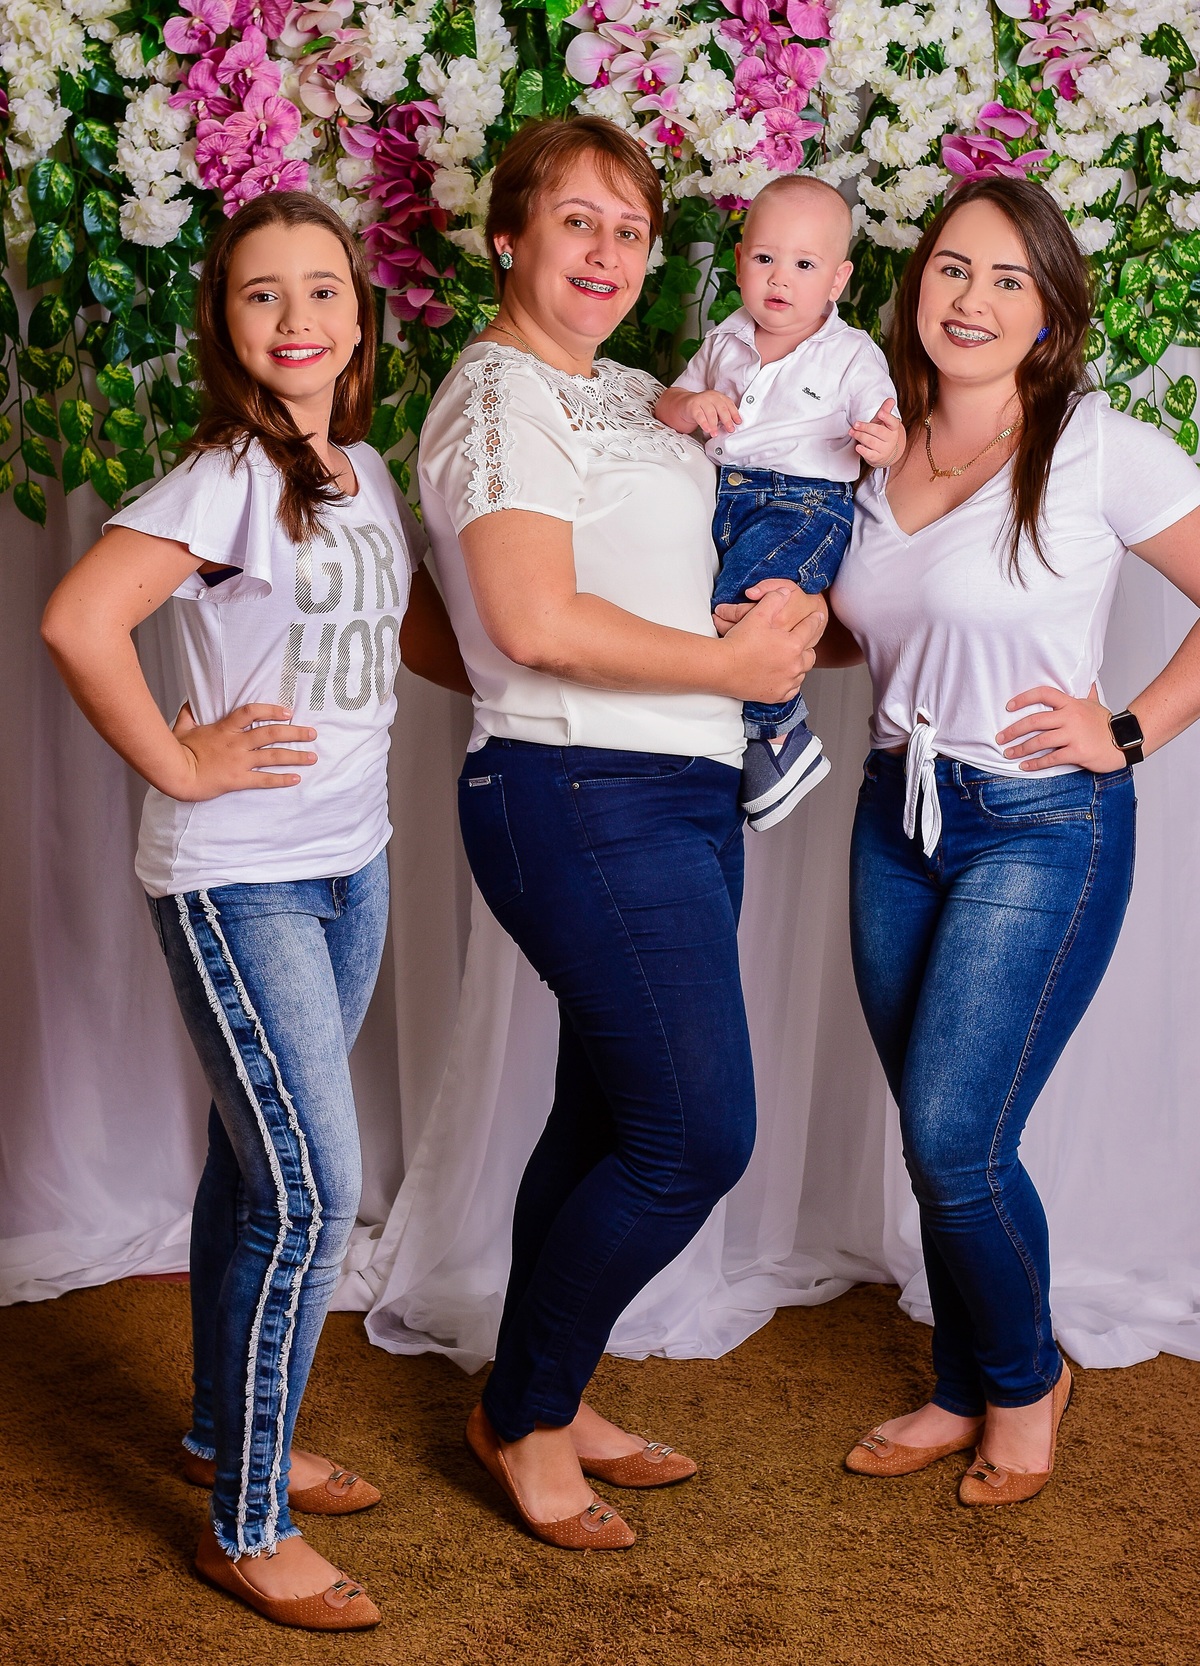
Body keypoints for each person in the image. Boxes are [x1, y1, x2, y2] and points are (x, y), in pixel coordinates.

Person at [41, 191, 468, 1626]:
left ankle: (227, 1431)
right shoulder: (227, 473)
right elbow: (78, 619)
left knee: (252, 1168)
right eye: (261, 294)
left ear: (360, 315)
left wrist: (563, 661)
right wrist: (179, 763)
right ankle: (247, 1521)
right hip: (241, 880)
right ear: (225, 325)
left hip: (353, 863)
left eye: (322, 289)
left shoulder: (359, 469)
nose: (297, 317)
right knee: (311, 1191)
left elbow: (411, 637)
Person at [417, 116, 824, 1549]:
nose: (607, 252)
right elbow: (526, 620)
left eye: (631, 229)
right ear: (508, 237)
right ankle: (523, 1411)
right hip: (579, 789)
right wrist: (721, 666)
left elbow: (696, 564)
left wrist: (784, 615)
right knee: (696, 1134)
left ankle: (556, 1383)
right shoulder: (495, 392)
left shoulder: (649, 394)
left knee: (608, 1113)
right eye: (576, 221)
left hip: (687, 785)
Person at [788, 176, 1200, 1503]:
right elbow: (870, 628)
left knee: (957, 1135)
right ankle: (963, 1382)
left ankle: (1026, 1380)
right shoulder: (877, 443)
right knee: (939, 1136)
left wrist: (1127, 729)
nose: (972, 298)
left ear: (1049, 314)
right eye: (953, 268)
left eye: (1009, 279)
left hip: (1042, 826)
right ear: (917, 285)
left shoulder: (1097, 448)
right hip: (896, 812)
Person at [656, 175, 905, 831]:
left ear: (838, 280)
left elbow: (888, 424)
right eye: (765, 258)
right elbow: (668, 405)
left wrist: (885, 442)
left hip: (805, 507)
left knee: (745, 602)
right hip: (725, 499)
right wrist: (693, 403)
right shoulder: (725, 340)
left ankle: (777, 732)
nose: (780, 279)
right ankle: (749, 735)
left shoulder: (850, 354)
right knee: (696, 609)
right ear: (739, 261)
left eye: (804, 265)